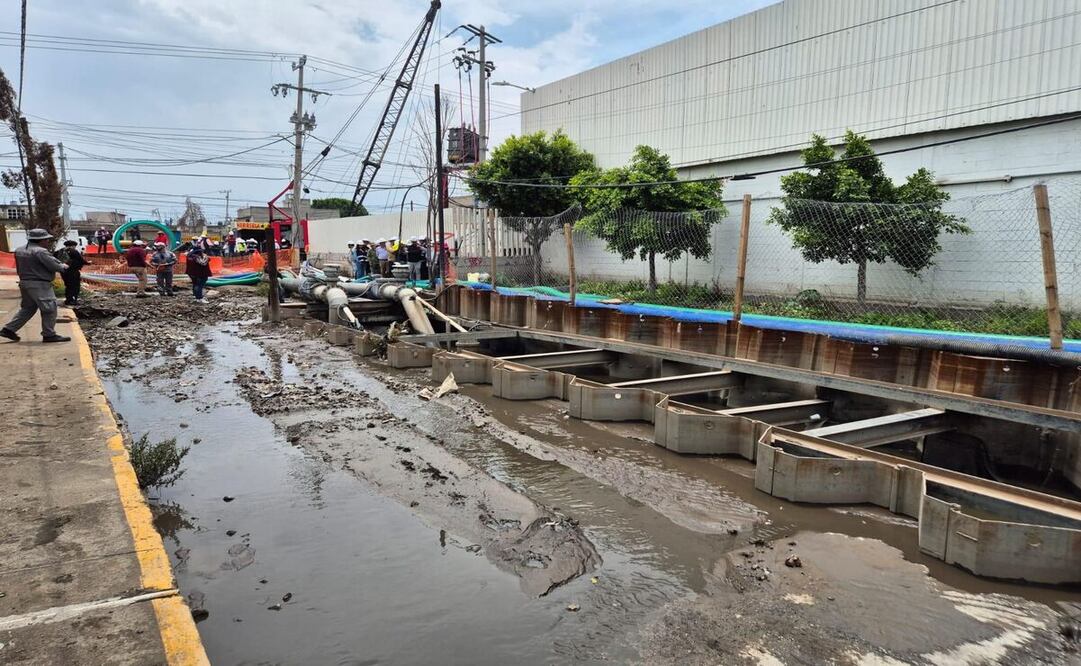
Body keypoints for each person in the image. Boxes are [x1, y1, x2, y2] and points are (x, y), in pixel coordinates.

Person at [0, 228, 71, 343]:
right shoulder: (40, 251)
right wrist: (63, 266)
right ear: (41, 240)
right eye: (46, 240)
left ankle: (8, 329)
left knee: (28, 308)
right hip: (40, 284)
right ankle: (49, 334)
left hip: (25, 283)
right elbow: (55, 266)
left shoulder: (19, 250)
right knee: (49, 308)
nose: (48, 242)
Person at [55, 239, 89, 306]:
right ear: (73, 245)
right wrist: (88, 263)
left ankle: (68, 299)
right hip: (73, 271)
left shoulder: (59, 251)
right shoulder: (73, 251)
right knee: (75, 286)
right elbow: (81, 260)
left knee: (68, 285)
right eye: (74, 246)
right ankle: (73, 300)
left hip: (63, 271)